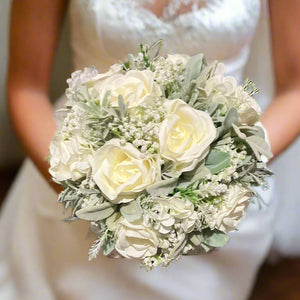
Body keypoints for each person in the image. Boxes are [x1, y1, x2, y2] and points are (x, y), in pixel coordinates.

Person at [0, 0, 299, 299]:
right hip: (76, 187)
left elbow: (295, 90)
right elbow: (26, 87)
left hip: (217, 200)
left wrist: (219, 178)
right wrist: (90, 196)